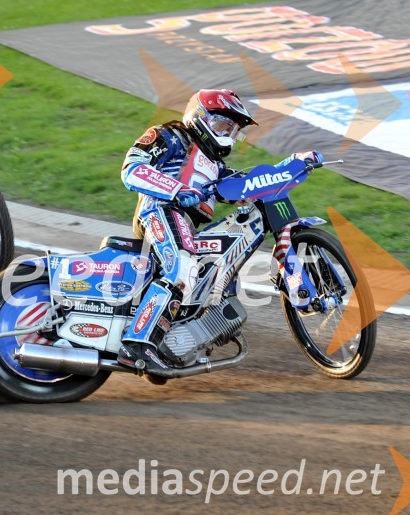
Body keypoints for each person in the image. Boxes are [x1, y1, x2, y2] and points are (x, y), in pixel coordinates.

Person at [117, 88, 320, 369]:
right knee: (184, 268)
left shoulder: (216, 166)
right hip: (160, 210)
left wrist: (292, 165)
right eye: (222, 125)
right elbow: (132, 169)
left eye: (233, 129)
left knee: (212, 282)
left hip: (184, 225)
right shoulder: (170, 136)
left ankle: (172, 346)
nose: (227, 133)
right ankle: (136, 345)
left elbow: (247, 184)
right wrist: (176, 189)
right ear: (200, 117)